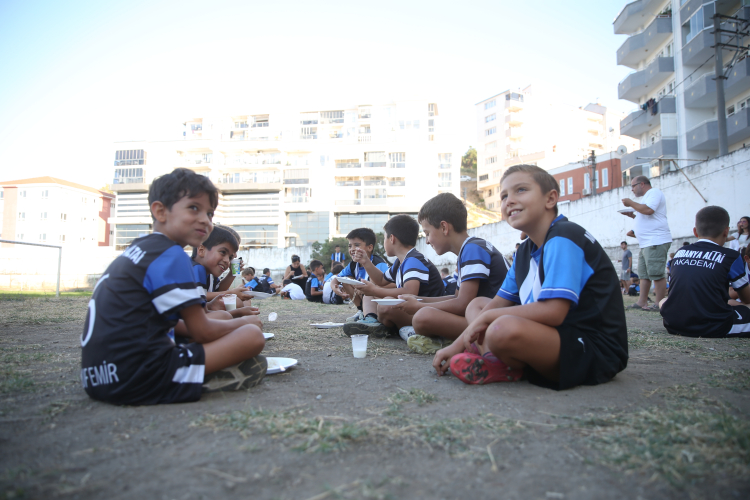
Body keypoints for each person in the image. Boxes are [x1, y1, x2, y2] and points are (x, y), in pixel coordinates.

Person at [80, 168, 267, 405]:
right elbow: (202, 331)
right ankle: (195, 379)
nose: (205, 220)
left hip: (98, 378)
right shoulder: (172, 255)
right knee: (251, 336)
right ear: (160, 211)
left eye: (210, 213)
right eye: (194, 208)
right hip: (137, 376)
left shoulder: (140, 250)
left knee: (222, 323)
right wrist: (243, 322)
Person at [432, 164, 628, 389]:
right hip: (551, 335)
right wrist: (456, 345)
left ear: (550, 199)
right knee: (478, 306)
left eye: (521, 190)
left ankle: (498, 357)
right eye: (504, 196)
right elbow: (495, 304)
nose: (509, 200)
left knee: (500, 327)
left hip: (593, 348)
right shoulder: (524, 251)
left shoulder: (564, 236)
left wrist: (490, 318)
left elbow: (554, 312)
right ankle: (497, 361)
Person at [394, 193, 509, 355]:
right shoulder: (470, 248)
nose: (427, 241)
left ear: (444, 227)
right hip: (484, 316)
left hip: (495, 321)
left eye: (427, 233)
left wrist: (419, 306)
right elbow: (456, 297)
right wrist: (419, 299)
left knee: (422, 317)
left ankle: (455, 341)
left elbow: (462, 304)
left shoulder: (472, 249)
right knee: (422, 316)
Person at [342, 214, 444, 337]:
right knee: (372, 293)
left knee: (385, 306)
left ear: (392, 239)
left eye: (384, 238)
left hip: (425, 312)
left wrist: (374, 290)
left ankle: (400, 328)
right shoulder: (400, 262)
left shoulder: (413, 260)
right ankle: (371, 319)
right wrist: (366, 261)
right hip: (413, 310)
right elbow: (381, 280)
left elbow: (410, 291)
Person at [660, 206, 750, 338]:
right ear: (726, 231)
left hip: (673, 323)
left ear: (695, 231)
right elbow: (747, 298)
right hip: (713, 325)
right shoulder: (731, 256)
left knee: (663, 301)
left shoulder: (680, 252)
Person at [621, 176, 672, 312]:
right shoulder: (646, 198)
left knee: (656, 273)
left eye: (633, 186)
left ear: (642, 184)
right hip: (646, 243)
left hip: (655, 240)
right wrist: (633, 215)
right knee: (644, 274)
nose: (632, 189)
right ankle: (642, 301)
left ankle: (659, 303)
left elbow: (649, 210)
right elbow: (646, 215)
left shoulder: (654, 192)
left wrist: (631, 203)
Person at [330, 228, 390, 321]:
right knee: (346, 279)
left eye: (357, 245)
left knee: (371, 284)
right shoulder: (353, 264)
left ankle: (373, 314)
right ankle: (361, 311)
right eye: (350, 246)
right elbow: (337, 279)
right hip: (365, 297)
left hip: (379, 299)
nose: (352, 249)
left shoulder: (378, 264)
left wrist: (369, 288)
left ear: (369, 248)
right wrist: (335, 287)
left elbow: (387, 285)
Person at [192, 225, 254, 311]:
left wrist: (232, 273)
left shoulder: (210, 272)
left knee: (245, 301)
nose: (235, 255)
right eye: (223, 252)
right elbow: (199, 296)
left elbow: (219, 290)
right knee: (236, 302)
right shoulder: (197, 268)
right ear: (201, 250)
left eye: (231, 255)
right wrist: (231, 293)